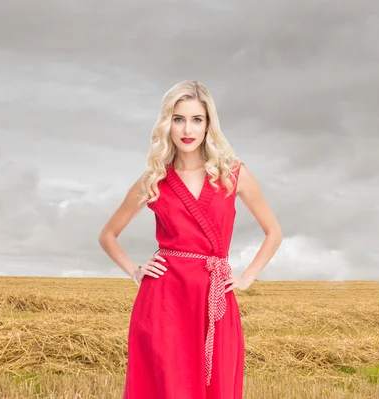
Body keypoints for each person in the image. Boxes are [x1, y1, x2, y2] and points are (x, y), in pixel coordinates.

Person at [98, 80, 283, 399]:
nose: (187, 128)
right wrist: (135, 271)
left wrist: (246, 278)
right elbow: (108, 235)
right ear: (166, 124)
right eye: (178, 118)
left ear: (209, 124)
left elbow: (274, 232)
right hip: (163, 302)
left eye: (196, 119)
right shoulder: (154, 179)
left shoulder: (233, 174)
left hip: (214, 299)